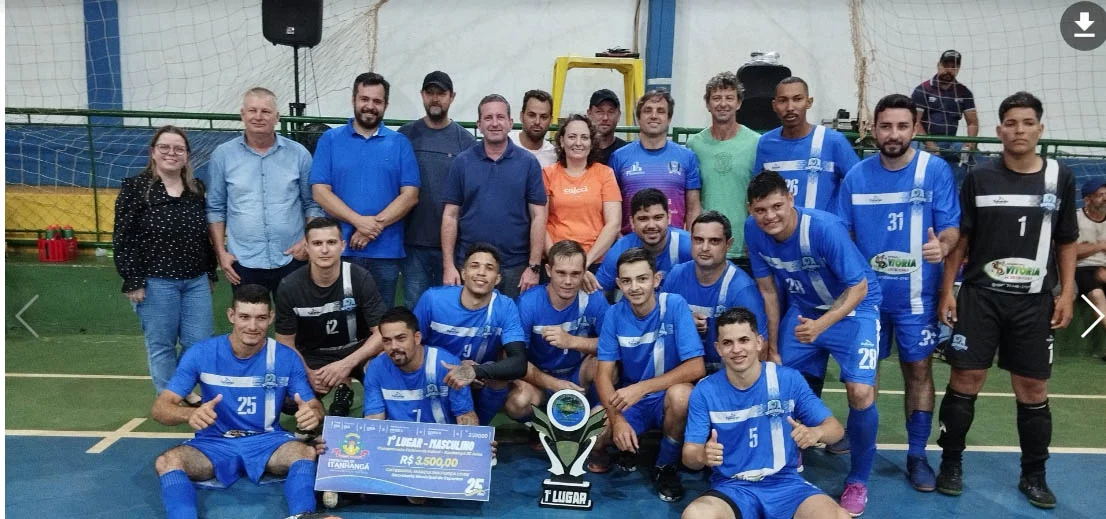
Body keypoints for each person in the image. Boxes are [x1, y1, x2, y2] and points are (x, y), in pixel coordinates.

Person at [935, 92, 1078, 509]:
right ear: (999, 131)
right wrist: (949, 288)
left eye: (1027, 123)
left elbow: (1067, 240)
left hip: (1034, 301)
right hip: (981, 297)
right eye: (1011, 123)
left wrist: (1067, 291)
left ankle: (1034, 475)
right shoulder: (980, 178)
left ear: (1040, 129)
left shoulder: (1059, 177)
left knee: (1033, 389)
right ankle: (951, 463)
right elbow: (961, 241)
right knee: (965, 381)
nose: (1019, 130)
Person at [836, 93, 961, 492]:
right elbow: (842, 234)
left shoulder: (935, 170)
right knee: (862, 379)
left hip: (916, 299)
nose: (893, 134)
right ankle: (861, 460)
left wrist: (942, 246)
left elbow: (951, 229)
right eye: (885, 126)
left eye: (902, 126)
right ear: (873, 129)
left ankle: (917, 454)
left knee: (919, 371)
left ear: (914, 127)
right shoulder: (856, 176)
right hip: (867, 300)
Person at [744, 171, 883, 516]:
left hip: (854, 310)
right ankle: (791, 453)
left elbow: (859, 288)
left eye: (776, 206)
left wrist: (822, 325)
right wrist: (772, 345)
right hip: (805, 311)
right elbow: (768, 292)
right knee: (775, 379)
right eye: (761, 210)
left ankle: (858, 480)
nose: (770, 216)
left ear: (791, 199)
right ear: (751, 210)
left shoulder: (824, 228)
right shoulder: (753, 231)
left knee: (861, 393)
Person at [151, 284, 324, 519]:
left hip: (268, 441)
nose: (252, 326)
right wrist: (189, 414)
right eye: (244, 317)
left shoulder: (285, 357)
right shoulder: (202, 353)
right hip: (214, 442)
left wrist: (313, 413)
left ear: (271, 318)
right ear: (231, 315)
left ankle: (303, 515)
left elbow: (312, 405)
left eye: (261, 318)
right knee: (167, 461)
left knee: (305, 454)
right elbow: (161, 408)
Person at [681, 308, 850, 519]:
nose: (737, 349)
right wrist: (702, 456)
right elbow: (689, 455)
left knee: (838, 516)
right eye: (728, 343)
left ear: (759, 342)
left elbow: (834, 429)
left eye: (744, 340)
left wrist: (816, 433)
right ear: (718, 349)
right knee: (695, 515)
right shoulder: (705, 391)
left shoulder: (788, 380)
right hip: (733, 488)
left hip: (785, 484)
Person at [114, 125, 216, 400]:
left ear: (186, 156)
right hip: (155, 281)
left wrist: (209, 273)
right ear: (153, 153)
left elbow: (203, 236)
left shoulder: (196, 190)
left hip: (195, 280)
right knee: (162, 344)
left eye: (179, 149)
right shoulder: (135, 189)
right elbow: (123, 238)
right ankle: (169, 398)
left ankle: (180, 387)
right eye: (165, 148)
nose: (172, 153)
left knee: (199, 343)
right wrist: (133, 280)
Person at [595, 247, 706, 502]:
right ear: (618, 284)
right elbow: (603, 375)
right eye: (627, 280)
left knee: (682, 395)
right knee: (591, 434)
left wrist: (643, 387)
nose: (635, 287)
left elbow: (696, 367)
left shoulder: (675, 305)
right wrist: (618, 419)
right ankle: (625, 447)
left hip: (663, 395)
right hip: (630, 400)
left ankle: (665, 466)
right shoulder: (613, 315)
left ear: (656, 279)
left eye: (642, 278)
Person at [311, 72, 421, 307]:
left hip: (386, 254)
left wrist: (373, 226)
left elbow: (410, 195)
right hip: (339, 250)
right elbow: (320, 191)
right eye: (364, 99)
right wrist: (358, 222)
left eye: (377, 101)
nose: (370, 106)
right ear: (353, 100)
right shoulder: (330, 140)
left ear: (385, 105)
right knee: (341, 322)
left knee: (381, 324)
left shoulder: (400, 143)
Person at [207, 87, 324, 295]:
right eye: (252, 111)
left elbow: (312, 204)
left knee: (294, 325)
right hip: (243, 260)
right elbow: (216, 208)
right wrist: (221, 253)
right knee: (250, 324)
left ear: (277, 117)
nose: (258, 117)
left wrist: (307, 242)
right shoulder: (223, 155)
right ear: (242, 115)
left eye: (266, 111)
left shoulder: (299, 154)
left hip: (291, 258)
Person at [274, 217, 386, 418]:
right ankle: (318, 417)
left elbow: (381, 333)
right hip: (313, 357)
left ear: (342, 246)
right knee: (288, 401)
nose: (324, 250)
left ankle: (374, 419)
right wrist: (307, 372)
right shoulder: (289, 286)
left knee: (386, 374)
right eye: (317, 243)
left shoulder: (359, 277)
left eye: (331, 242)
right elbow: (285, 343)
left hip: (358, 351)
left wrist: (346, 364)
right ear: (306, 248)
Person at [442, 94, 548, 299]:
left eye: (500, 117)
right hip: (471, 267)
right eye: (488, 118)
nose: (494, 123)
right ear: (479, 125)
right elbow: (450, 216)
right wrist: (449, 266)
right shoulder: (462, 163)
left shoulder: (528, 163)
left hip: (515, 268)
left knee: (513, 329)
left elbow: (538, 216)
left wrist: (533, 268)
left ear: (510, 123)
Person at [413, 243, 529, 425]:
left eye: (489, 268)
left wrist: (473, 371)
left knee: (500, 376)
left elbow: (519, 363)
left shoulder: (505, 307)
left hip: (478, 378)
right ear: (463, 273)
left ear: (498, 278)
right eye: (474, 266)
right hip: (436, 375)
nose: (481, 272)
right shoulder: (433, 299)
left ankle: (478, 432)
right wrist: (453, 366)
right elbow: (414, 347)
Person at [503, 240, 610, 427]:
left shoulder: (594, 299)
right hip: (541, 377)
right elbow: (513, 358)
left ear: (584, 273)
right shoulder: (528, 304)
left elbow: (613, 346)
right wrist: (553, 384)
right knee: (517, 403)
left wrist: (572, 341)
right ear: (548, 270)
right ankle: (541, 426)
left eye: (575, 274)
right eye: (561, 273)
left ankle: (591, 417)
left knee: (608, 364)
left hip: (578, 373)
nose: (568, 281)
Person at [398, 71, 477, 308]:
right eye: (430, 93)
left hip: (453, 247)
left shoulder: (465, 142)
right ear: (422, 95)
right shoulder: (405, 136)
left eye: (441, 93)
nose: (435, 99)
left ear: (452, 97)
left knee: (449, 310)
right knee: (415, 309)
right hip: (413, 245)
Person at [662, 211, 767, 374]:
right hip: (682, 368)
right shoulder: (676, 274)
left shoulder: (742, 289)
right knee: (679, 394)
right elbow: (656, 323)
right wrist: (684, 322)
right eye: (698, 240)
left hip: (726, 374)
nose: (705, 248)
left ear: (729, 244)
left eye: (714, 241)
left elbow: (759, 349)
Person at [754, 77, 859, 212]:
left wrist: (844, 223)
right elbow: (758, 192)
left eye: (797, 99)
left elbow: (859, 186)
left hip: (821, 231)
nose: (790, 107)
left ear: (809, 102)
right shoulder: (766, 143)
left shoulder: (833, 141)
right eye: (783, 100)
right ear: (774, 106)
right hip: (779, 230)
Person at [687, 72, 762, 260]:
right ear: (707, 104)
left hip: (744, 244)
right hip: (707, 245)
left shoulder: (755, 142)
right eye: (716, 98)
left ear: (739, 103)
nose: (723, 104)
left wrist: (754, 238)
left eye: (729, 98)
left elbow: (760, 198)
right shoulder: (694, 144)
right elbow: (692, 200)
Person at [542, 113, 622, 284]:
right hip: (557, 266)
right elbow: (540, 222)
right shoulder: (548, 174)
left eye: (584, 137)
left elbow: (613, 224)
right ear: (562, 142)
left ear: (592, 142)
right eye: (572, 137)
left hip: (595, 263)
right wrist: (557, 263)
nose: (578, 143)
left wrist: (583, 263)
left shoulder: (605, 174)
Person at [364, 306, 478, 425]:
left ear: (417, 338)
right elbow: (374, 419)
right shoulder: (376, 368)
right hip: (396, 440)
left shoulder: (446, 364)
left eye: (401, 338)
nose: (393, 346)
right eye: (387, 341)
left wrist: (477, 441)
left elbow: (465, 416)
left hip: (440, 440)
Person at [609, 88, 702, 234]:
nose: (654, 116)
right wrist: (621, 241)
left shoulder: (686, 157)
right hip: (632, 246)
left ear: (669, 118)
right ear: (638, 117)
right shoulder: (619, 157)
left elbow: (693, 207)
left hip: (673, 245)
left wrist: (691, 240)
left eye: (660, 111)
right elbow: (610, 207)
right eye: (647, 110)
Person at [594, 188, 693, 292]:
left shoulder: (688, 245)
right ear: (632, 222)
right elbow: (599, 292)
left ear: (668, 218)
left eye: (658, 217)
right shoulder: (621, 250)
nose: (651, 225)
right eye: (643, 219)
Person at [912, 50, 979, 181]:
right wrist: (930, 145)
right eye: (946, 65)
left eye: (953, 66)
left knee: (974, 157)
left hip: (950, 141)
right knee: (915, 154)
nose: (949, 70)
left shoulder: (964, 92)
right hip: (923, 140)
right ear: (938, 65)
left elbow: (973, 123)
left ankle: (959, 192)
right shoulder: (923, 89)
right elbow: (915, 122)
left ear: (958, 68)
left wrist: (969, 144)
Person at [1074, 176, 1106, 339]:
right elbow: (1071, 252)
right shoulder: (1075, 219)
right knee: (1097, 295)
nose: (1105, 199)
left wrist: (1089, 246)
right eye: (1100, 195)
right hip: (1081, 268)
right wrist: (1099, 246)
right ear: (1087, 199)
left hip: (1103, 268)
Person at [510, 89, 557, 168]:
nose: (537, 122)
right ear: (522, 116)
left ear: (551, 120)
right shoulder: (505, 144)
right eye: (532, 115)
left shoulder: (553, 156)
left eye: (543, 117)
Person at [587, 88, 628, 166]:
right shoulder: (580, 150)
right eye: (599, 112)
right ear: (589, 114)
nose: (605, 117)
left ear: (619, 115)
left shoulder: (627, 152)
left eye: (611, 112)